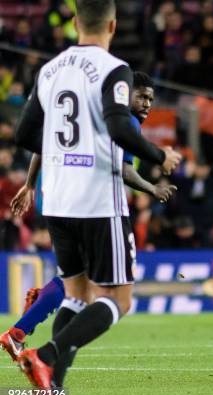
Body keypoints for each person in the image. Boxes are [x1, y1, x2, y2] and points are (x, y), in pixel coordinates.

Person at [12, 1, 182, 395]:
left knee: (74, 296)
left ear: (74, 23)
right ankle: (46, 356)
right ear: (112, 24)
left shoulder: (48, 70)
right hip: (97, 201)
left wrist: (59, 154)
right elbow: (121, 125)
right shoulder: (113, 70)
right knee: (118, 300)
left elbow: (24, 134)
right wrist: (161, 156)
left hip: (57, 202)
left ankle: (48, 393)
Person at [0, 70, 176, 366]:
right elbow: (124, 168)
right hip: (96, 208)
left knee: (74, 283)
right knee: (112, 295)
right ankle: (43, 351)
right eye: (141, 96)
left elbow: (43, 144)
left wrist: (30, 184)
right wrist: (152, 187)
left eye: (150, 99)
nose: (146, 104)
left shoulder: (83, 112)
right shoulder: (122, 120)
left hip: (59, 203)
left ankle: (26, 335)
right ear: (124, 92)